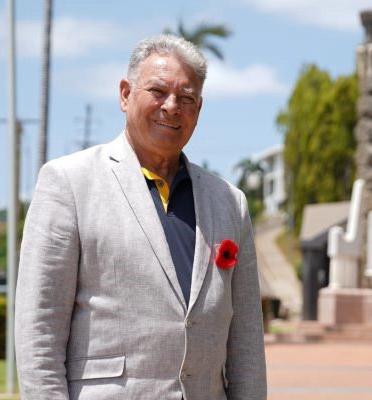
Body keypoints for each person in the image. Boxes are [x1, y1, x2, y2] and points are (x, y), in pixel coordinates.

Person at [15, 35, 267, 400]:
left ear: (199, 108)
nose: (172, 106)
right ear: (124, 94)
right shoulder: (69, 183)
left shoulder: (229, 202)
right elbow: (39, 330)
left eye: (186, 98)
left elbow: (246, 340)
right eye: (158, 91)